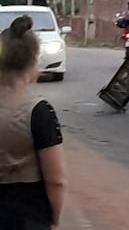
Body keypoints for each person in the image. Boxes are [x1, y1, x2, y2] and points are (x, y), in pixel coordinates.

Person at [0, 15, 66, 230]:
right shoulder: (38, 111)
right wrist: (53, 219)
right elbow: (56, 180)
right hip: (27, 217)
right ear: (34, 60)